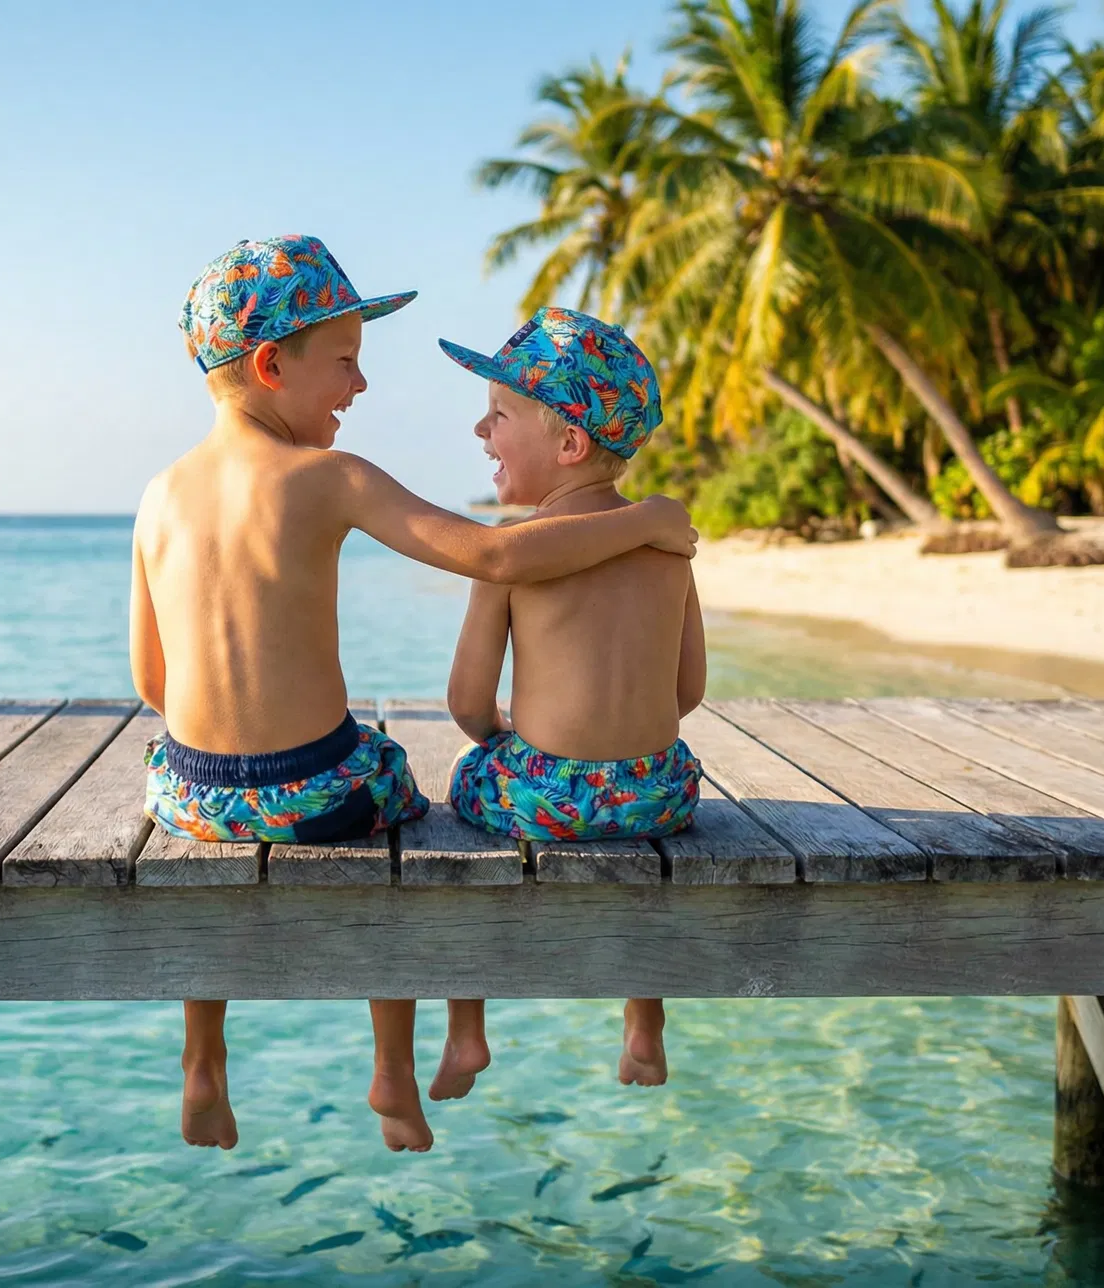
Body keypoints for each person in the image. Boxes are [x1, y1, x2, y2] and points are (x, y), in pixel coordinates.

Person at [130, 238, 699, 1152]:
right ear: (273, 365)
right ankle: (393, 1071)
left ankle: (203, 1064)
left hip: (192, 792)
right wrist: (647, 522)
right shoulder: (330, 478)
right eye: (348, 361)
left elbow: (150, 681)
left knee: (244, 796)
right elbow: (497, 553)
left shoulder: (159, 495)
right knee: (392, 797)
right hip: (317, 788)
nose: (359, 388)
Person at [432, 306, 706, 1100]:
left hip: (549, 793)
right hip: (658, 790)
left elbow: (466, 701)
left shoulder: (513, 554)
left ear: (569, 444)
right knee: (636, 827)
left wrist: (502, 738)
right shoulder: (666, 547)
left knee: (466, 790)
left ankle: (466, 1032)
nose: (481, 431)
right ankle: (645, 1028)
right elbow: (688, 691)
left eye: (500, 415)